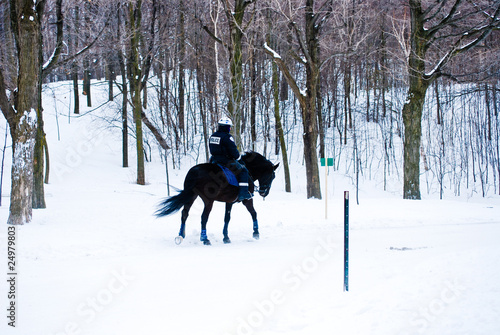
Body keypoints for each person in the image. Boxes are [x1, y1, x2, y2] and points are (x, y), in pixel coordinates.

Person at [209, 117, 252, 201]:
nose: (230, 128)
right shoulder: (228, 137)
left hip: (214, 159)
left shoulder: (213, 135)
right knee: (243, 171)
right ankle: (243, 194)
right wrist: (239, 157)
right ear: (227, 127)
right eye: (229, 127)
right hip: (225, 161)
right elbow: (233, 151)